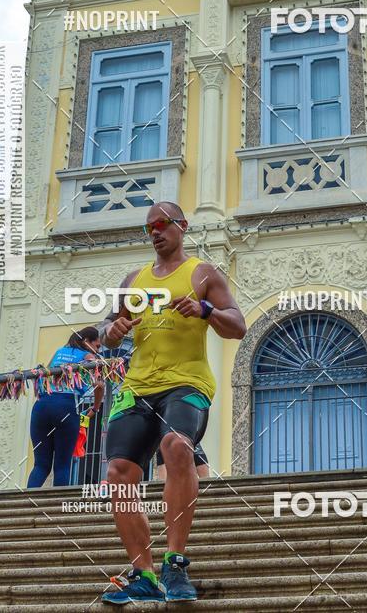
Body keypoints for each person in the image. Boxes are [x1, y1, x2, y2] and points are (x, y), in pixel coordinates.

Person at [99, 201, 246, 606]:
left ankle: (176, 562)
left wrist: (205, 309)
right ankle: (143, 574)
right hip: (138, 386)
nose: (155, 231)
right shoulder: (134, 280)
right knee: (118, 472)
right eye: (149, 227)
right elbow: (109, 331)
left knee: (176, 446)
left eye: (163, 224)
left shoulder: (202, 274)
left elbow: (238, 326)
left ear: (182, 226)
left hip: (187, 382)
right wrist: (114, 330)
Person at [26, 327, 104, 488]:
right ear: (86, 342)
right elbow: (99, 384)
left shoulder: (59, 352)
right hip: (66, 406)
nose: (98, 351)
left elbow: (44, 377)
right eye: (97, 346)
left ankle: (25, 504)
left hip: (42, 406)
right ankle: (59, 508)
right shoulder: (89, 357)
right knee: (62, 464)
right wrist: (95, 408)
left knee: (40, 464)